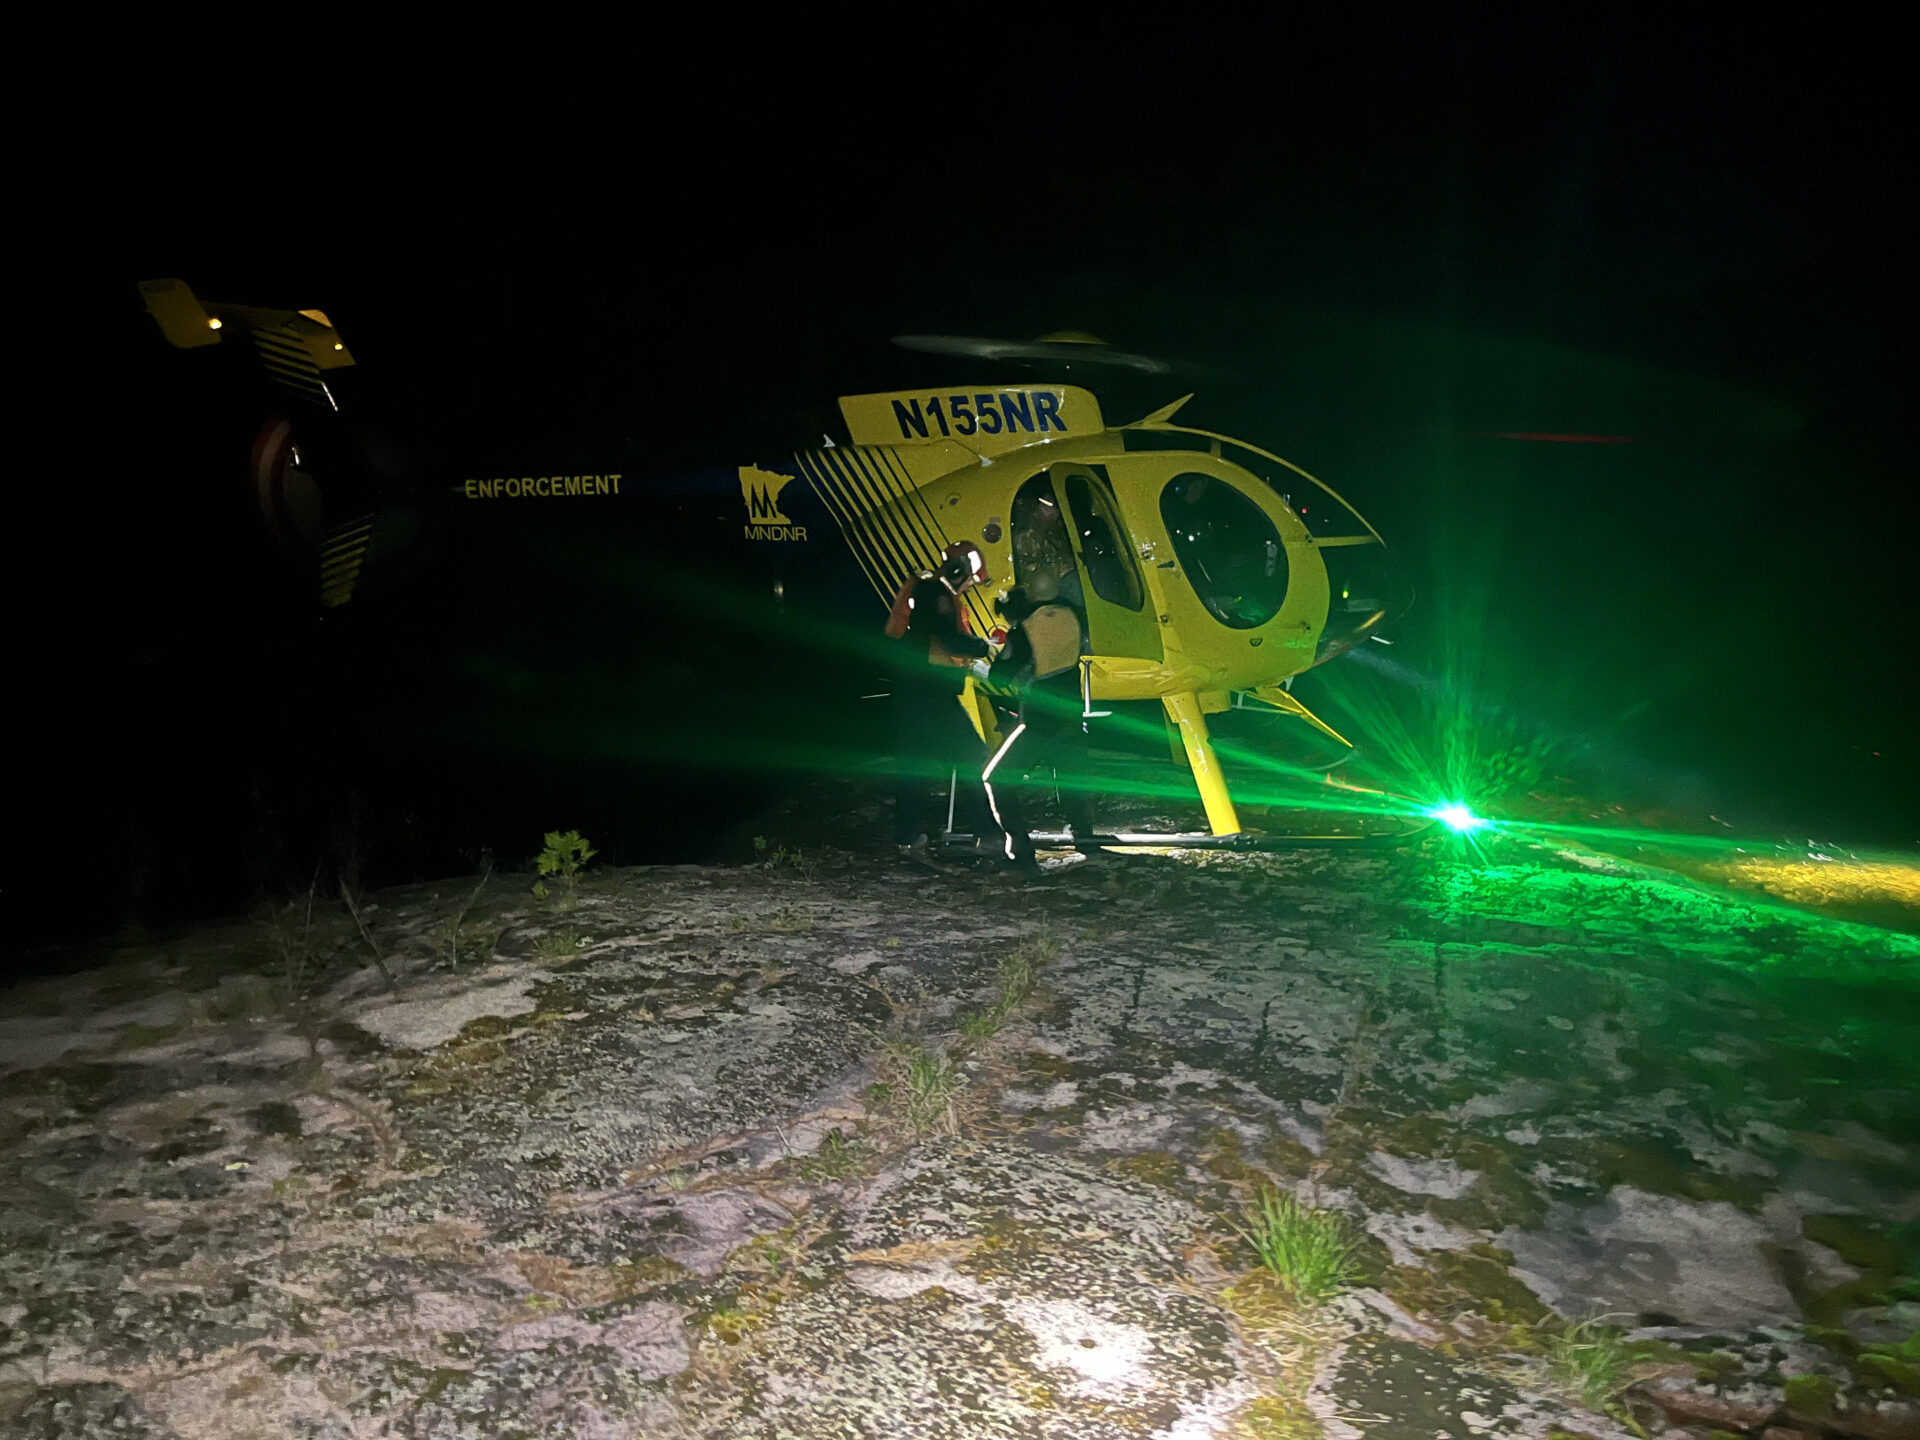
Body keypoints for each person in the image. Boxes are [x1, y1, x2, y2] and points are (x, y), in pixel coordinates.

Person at [885, 541, 996, 856]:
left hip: (916, 692)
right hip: (932, 694)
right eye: (971, 579)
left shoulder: (928, 591)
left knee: (914, 766)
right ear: (961, 570)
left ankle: (906, 837)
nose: (970, 586)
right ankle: (988, 833)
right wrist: (983, 647)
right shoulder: (938, 596)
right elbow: (948, 639)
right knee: (972, 755)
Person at [981, 582, 1096, 872]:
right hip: (1072, 718)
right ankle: (1085, 837)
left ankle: (1019, 846)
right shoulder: (1072, 615)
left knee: (997, 778)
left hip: (1040, 723)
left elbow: (999, 678)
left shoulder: (1022, 632)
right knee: (1070, 780)